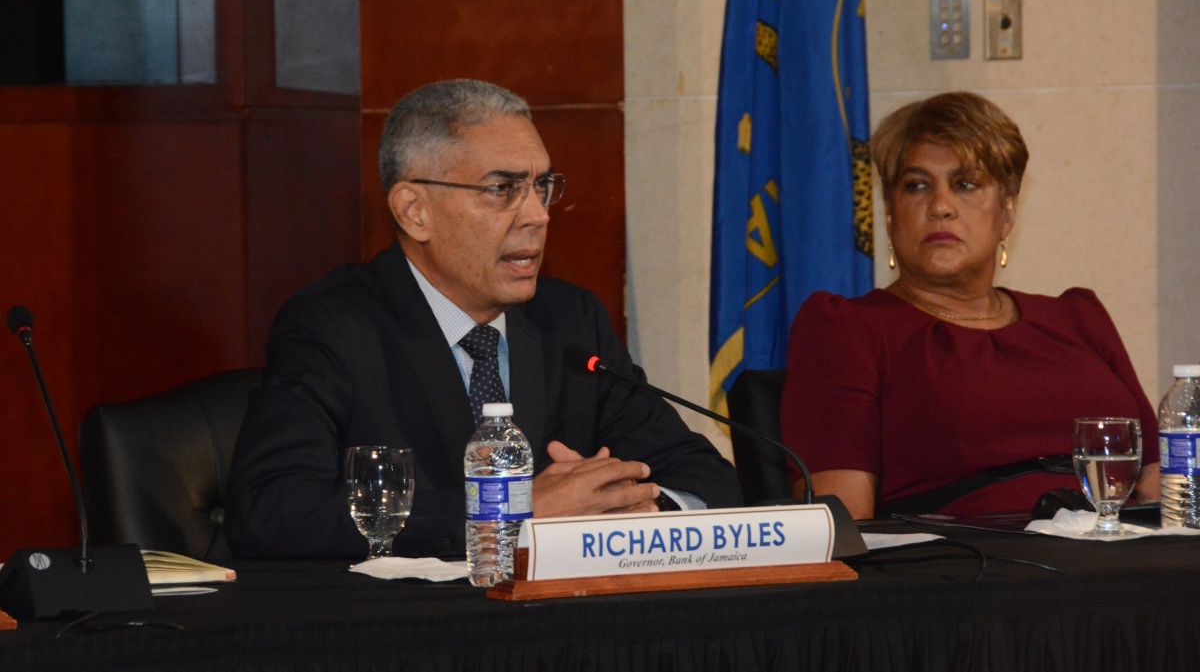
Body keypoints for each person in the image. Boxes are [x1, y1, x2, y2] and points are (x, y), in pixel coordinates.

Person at [227, 79, 741, 558]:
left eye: (542, 185)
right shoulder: (333, 327)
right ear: (414, 211)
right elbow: (273, 507)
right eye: (503, 189)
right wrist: (507, 515)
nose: (538, 214)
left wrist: (637, 513)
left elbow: (706, 477)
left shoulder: (569, 321)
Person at [779, 92, 1160, 519]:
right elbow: (842, 527)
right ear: (890, 214)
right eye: (916, 186)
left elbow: (1158, 476)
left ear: (1007, 214)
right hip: (972, 571)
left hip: (1123, 558)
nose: (940, 207)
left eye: (965, 184)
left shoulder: (1077, 317)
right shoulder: (846, 328)